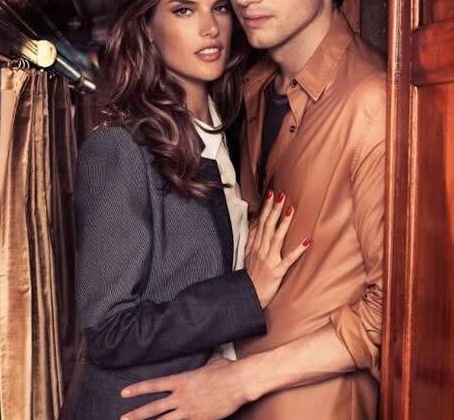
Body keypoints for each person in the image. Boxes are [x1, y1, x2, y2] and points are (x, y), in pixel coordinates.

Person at [120, 0, 386, 419]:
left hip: (314, 406)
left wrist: (240, 380)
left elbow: (392, 313)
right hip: (228, 390)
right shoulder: (253, 87)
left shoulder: (372, 100)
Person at [60, 0, 311, 418]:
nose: (210, 27)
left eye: (219, 7)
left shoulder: (231, 131)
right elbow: (108, 330)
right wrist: (246, 293)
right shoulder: (118, 150)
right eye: (184, 10)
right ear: (147, 28)